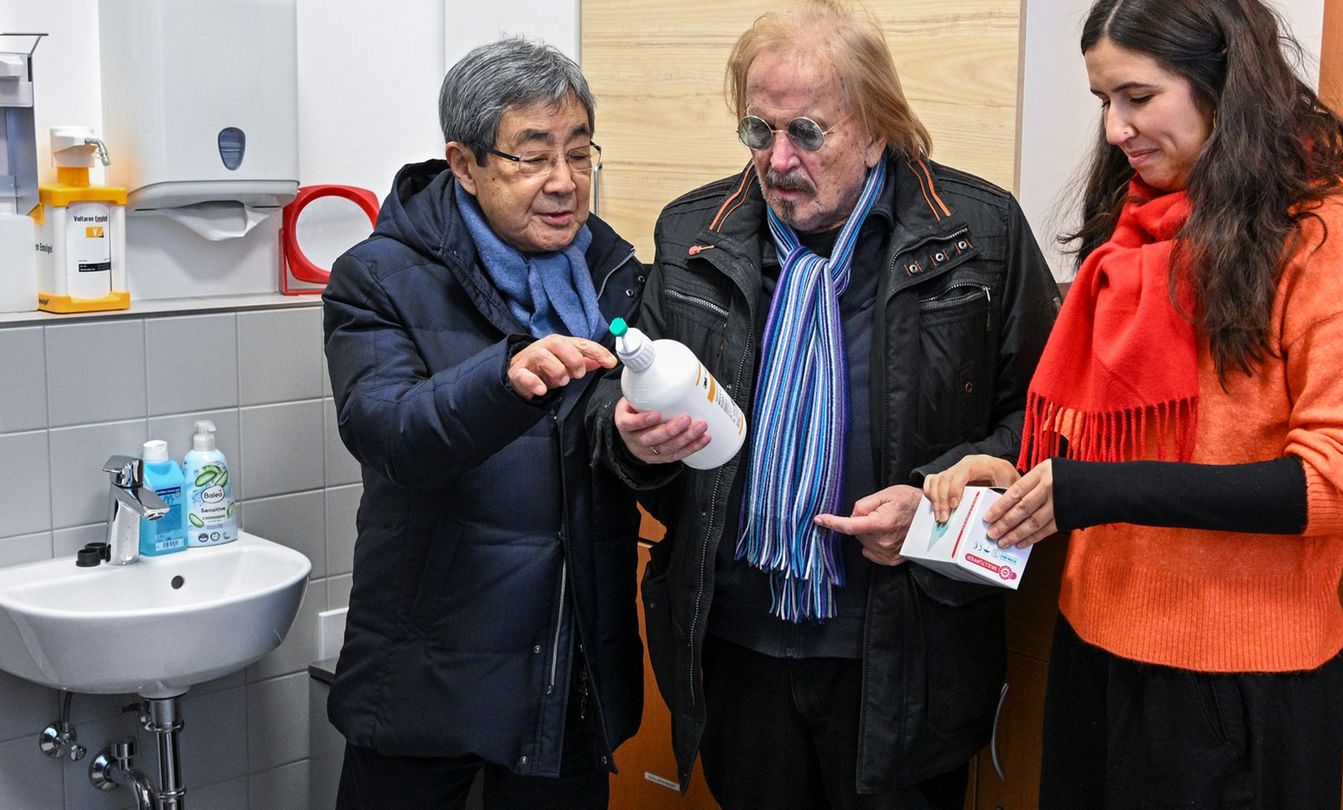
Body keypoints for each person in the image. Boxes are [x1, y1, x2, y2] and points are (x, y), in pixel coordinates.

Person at [923, 1, 1343, 807]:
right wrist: (1018, 469)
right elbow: (1111, 433)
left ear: (1226, 84)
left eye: (1139, 97)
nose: (1117, 128)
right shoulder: (1131, 236)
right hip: (1096, 652)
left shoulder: (1334, 241)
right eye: (1102, 101)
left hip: (1238, 686)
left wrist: (1092, 491)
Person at [588, 2, 1059, 806]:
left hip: (908, 650)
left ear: (877, 129)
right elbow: (626, 429)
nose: (776, 159)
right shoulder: (693, 234)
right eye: (756, 130)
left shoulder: (979, 235)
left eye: (807, 131)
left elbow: (1049, 426)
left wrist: (936, 510)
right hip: (737, 648)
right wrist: (630, 438)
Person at [321, 38, 645, 810]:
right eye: (532, 157)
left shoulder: (615, 273)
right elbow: (389, 434)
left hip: (569, 682)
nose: (564, 183)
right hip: (426, 690)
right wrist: (502, 379)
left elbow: (622, 456)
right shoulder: (378, 276)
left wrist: (654, 447)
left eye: (579, 152)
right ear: (465, 165)